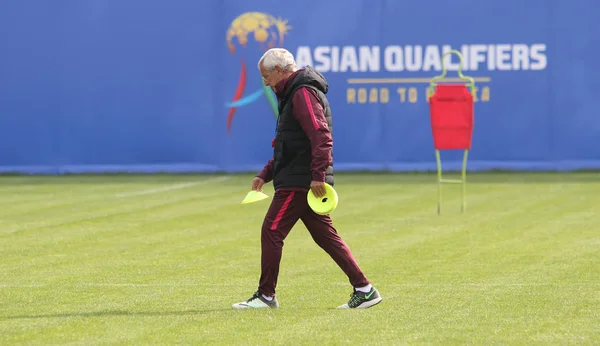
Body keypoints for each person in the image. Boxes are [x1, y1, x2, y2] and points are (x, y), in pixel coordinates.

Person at [232, 48, 382, 309]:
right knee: (326, 237)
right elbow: (288, 146)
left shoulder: (302, 93)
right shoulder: (294, 93)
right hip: (299, 177)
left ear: (280, 71)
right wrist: (265, 174)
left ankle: (266, 295)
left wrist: (317, 176)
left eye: (266, 76)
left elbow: (321, 136)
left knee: (272, 231)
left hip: (299, 182)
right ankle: (364, 289)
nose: (265, 83)